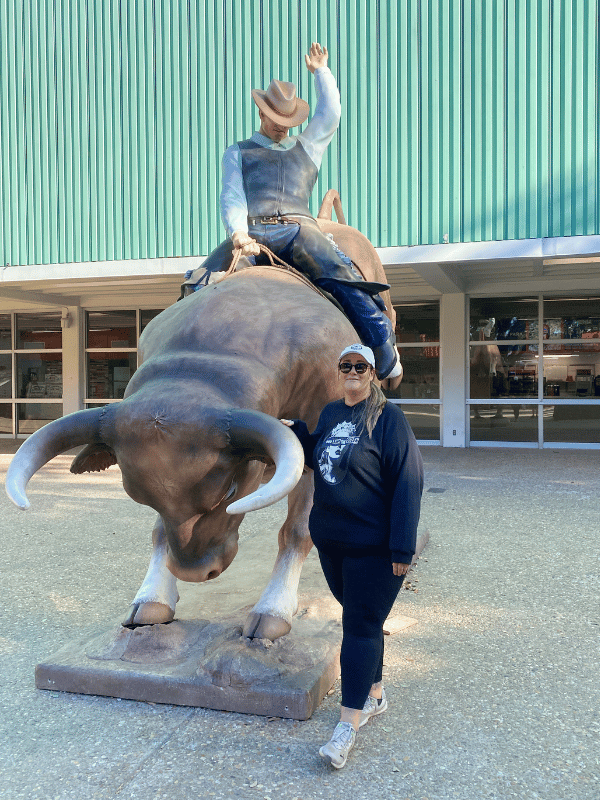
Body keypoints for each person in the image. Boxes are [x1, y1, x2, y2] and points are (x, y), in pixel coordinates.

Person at [189, 43, 402, 380]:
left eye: (287, 121)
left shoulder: (306, 146)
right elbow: (232, 195)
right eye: (275, 120)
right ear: (261, 113)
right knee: (199, 284)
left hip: (300, 229)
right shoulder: (238, 152)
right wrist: (239, 234)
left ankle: (383, 349)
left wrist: (322, 72)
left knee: (343, 277)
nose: (282, 127)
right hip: (253, 233)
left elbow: (330, 115)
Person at [282, 343, 423, 769]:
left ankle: (347, 726)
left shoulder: (388, 418)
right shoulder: (331, 413)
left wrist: (402, 546)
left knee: (358, 625)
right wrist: (301, 435)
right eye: (347, 366)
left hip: (374, 547)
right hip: (333, 542)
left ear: (373, 373)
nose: (353, 372)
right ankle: (375, 694)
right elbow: (324, 461)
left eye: (361, 366)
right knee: (365, 618)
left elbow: (409, 481)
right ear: (339, 371)